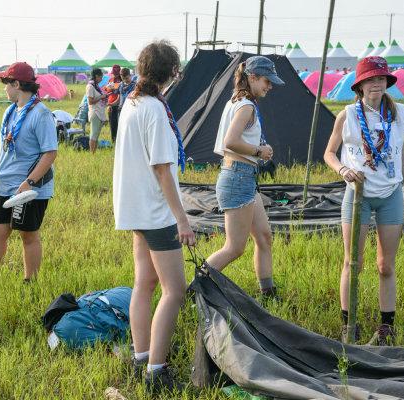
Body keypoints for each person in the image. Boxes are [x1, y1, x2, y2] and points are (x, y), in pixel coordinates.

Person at [324, 56, 404, 345]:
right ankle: (349, 325)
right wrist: (343, 169)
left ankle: (386, 327)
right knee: (352, 262)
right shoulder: (348, 116)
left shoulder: (399, 113)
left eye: (381, 79)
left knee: (386, 265)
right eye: (371, 79)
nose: (377, 84)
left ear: (387, 83)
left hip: (390, 195)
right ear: (360, 85)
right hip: (357, 197)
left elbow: (401, 157)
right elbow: (329, 153)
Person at [113, 40, 195, 394]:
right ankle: (156, 371)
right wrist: (183, 219)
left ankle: (141, 356)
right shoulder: (155, 110)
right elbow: (162, 168)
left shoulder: (132, 103)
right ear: (173, 74)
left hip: (136, 208)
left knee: (144, 284)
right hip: (157, 211)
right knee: (174, 290)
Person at [206, 56, 284, 300]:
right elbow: (231, 142)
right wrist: (259, 151)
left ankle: (268, 293)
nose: (269, 87)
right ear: (252, 77)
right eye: (266, 81)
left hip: (245, 177)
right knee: (234, 247)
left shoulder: (238, 101)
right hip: (238, 177)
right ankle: (195, 287)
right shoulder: (246, 105)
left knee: (264, 236)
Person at [0, 62, 58, 283]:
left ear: (17, 84)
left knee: (27, 234)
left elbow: (49, 153)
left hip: (29, 189)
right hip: (6, 183)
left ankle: (29, 282)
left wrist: (30, 182)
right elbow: (3, 144)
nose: (4, 88)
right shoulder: (10, 111)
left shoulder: (41, 114)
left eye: (6, 83)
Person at [86, 68, 108, 153]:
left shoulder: (96, 86)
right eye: (101, 77)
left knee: (97, 134)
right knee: (93, 134)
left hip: (100, 112)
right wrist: (101, 97)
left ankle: (94, 152)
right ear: (96, 76)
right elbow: (90, 102)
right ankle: (92, 154)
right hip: (95, 112)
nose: (102, 79)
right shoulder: (90, 86)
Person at [106, 64, 122, 143]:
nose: (115, 74)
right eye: (114, 72)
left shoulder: (123, 80)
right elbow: (107, 90)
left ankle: (120, 140)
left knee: (120, 123)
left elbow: (119, 89)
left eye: (117, 73)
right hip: (111, 104)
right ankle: (114, 140)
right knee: (112, 123)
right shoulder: (110, 79)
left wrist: (113, 87)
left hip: (120, 105)